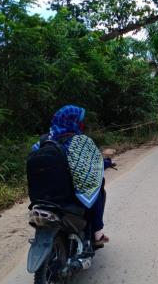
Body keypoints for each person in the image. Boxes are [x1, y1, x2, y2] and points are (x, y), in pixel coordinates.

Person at [32, 105, 111, 247]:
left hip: (42, 197)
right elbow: (90, 168)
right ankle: (97, 232)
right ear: (72, 121)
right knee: (97, 187)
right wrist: (105, 163)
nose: (81, 124)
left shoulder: (42, 143)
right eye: (80, 120)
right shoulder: (80, 142)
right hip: (68, 195)